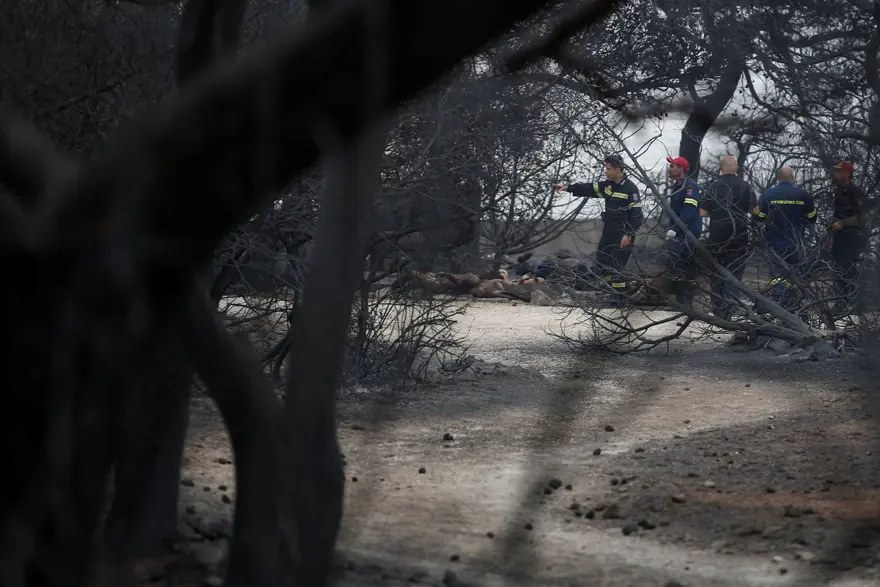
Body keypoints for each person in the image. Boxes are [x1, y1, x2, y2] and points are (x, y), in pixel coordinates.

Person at [554, 154, 643, 296]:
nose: (605, 172)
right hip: (609, 232)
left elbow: (637, 215)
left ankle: (620, 297)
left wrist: (629, 235)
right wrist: (567, 188)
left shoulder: (630, 189)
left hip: (622, 235)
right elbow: (588, 188)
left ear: (618, 169)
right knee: (602, 261)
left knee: (616, 267)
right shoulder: (608, 186)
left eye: (608, 169)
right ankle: (607, 291)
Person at [699, 155, 756, 320]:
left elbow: (702, 212)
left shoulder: (714, 186)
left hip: (717, 238)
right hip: (740, 237)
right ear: (736, 168)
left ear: (721, 168)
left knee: (717, 275)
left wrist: (716, 212)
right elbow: (755, 211)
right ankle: (729, 310)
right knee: (734, 276)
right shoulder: (745, 186)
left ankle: (718, 311)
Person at [753, 166, 816, 313]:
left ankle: (783, 307)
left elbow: (761, 218)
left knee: (778, 277)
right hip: (797, 243)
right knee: (794, 275)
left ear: (777, 178)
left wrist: (755, 212)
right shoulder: (803, 195)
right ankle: (795, 307)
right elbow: (812, 218)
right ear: (793, 178)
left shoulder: (768, 195)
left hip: (775, 243)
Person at [662, 156, 702, 309]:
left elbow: (689, 211)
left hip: (689, 232)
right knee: (677, 263)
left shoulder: (690, 187)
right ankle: (679, 299)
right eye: (670, 165)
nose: (670, 168)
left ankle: (685, 300)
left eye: (673, 166)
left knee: (683, 263)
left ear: (681, 169)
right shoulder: (676, 187)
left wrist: (675, 228)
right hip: (680, 232)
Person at [828, 160, 865, 315]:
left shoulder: (854, 192)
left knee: (849, 270)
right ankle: (842, 302)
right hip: (839, 238)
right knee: (838, 269)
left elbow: (861, 217)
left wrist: (843, 223)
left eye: (839, 171)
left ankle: (855, 302)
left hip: (852, 237)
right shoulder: (838, 191)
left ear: (847, 173)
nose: (836, 174)